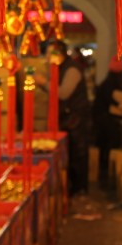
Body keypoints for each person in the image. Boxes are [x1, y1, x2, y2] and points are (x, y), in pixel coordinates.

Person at [50, 41, 92, 196]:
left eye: (50, 53)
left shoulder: (72, 69)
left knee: (77, 155)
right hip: (68, 118)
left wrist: (44, 84)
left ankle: (79, 190)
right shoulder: (61, 68)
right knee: (71, 155)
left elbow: (63, 93)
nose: (48, 57)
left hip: (76, 119)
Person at [94, 56, 122, 190]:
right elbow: (112, 101)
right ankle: (106, 174)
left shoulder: (107, 82)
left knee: (105, 147)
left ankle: (105, 172)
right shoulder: (112, 85)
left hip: (103, 119)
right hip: (106, 120)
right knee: (108, 147)